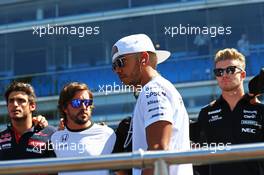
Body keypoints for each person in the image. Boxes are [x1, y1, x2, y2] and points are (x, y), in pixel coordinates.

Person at [112, 34, 193, 175]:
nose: (117, 70)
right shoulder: (156, 88)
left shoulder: (153, 89)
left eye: (121, 62)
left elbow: (158, 149)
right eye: (114, 66)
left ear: (143, 58)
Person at [196, 48, 264, 175]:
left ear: (242, 75)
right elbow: (201, 161)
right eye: (219, 71)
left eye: (230, 70)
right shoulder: (206, 113)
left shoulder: (260, 110)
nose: (224, 75)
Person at [51, 82, 116, 175]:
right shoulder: (55, 138)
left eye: (87, 102)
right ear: (65, 108)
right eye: (76, 103)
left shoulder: (108, 134)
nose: (84, 107)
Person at [0, 82, 56, 161]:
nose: (15, 104)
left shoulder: (52, 134)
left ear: (32, 106)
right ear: (7, 106)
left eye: (21, 100)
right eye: (11, 101)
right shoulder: (1, 137)